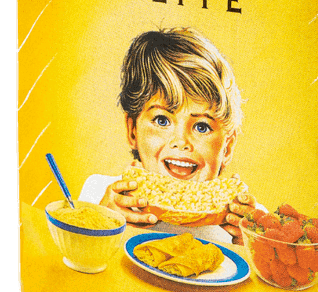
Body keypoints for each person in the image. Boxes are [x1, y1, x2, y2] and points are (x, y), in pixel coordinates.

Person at [78, 28, 257, 244]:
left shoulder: (249, 224)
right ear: (133, 131)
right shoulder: (97, 195)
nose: (181, 142)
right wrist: (100, 226)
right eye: (162, 121)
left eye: (202, 127)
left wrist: (251, 248)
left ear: (227, 147)